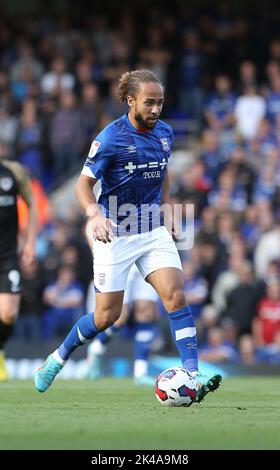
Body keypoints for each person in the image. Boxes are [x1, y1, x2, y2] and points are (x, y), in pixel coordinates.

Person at [34, 69, 222, 402]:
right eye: (149, 103)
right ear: (131, 100)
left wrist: (167, 209)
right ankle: (57, 358)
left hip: (151, 230)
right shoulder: (109, 138)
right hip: (115, 234)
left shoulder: (165, 133)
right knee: (107, 316)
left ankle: (192, 374)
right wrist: (94, 214)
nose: (155, 110)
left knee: (176, 296)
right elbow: (82, 186)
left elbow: (163, 173)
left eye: (160, 103)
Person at [0, 141, 37, 381]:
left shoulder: (13, 171)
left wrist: (31, 242)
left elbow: (32, 204)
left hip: (7, 254)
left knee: (9, 313)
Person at [86, 264, 159, 384]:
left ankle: (141, 373)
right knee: (119, 316)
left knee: (147, 313)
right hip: (125, 257)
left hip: (147, 255)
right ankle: (97, 347)